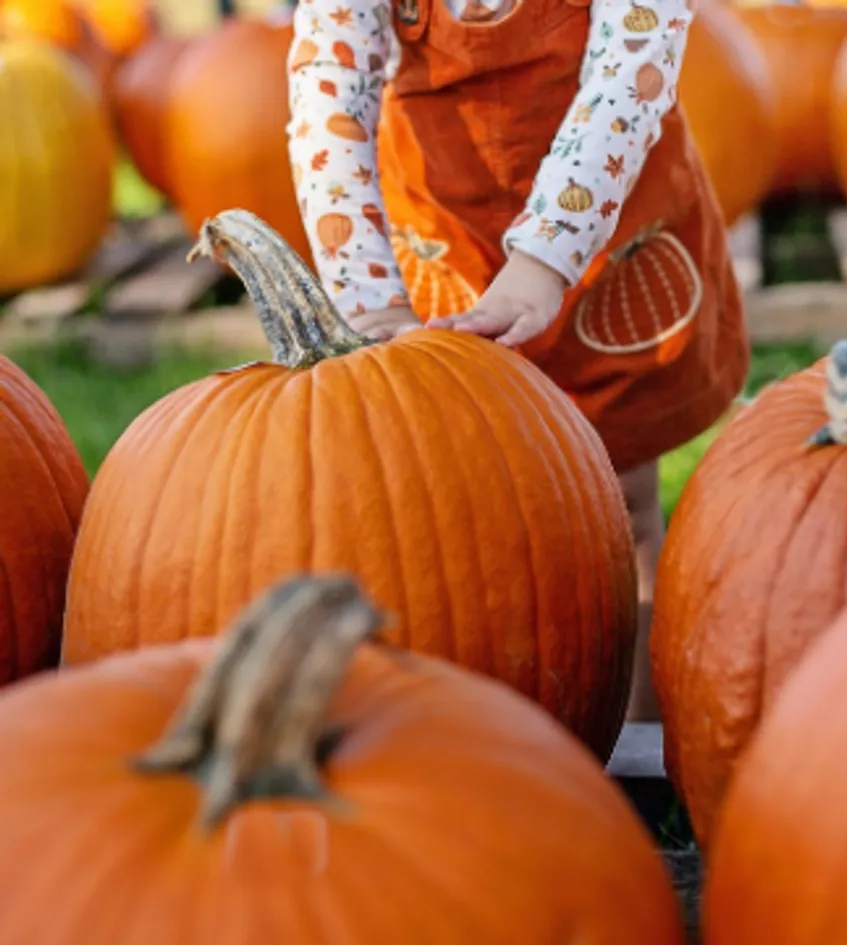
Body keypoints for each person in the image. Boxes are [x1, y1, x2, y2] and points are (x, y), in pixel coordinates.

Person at [287, 0, 749, 720]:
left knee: (621, 497)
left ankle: (636, 742)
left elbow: (631, 71)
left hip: (602, 242)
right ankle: (486, 731)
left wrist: (544, 257)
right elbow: (328, 86)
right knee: (456, 510)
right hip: (443, 250)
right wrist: (370, 299)